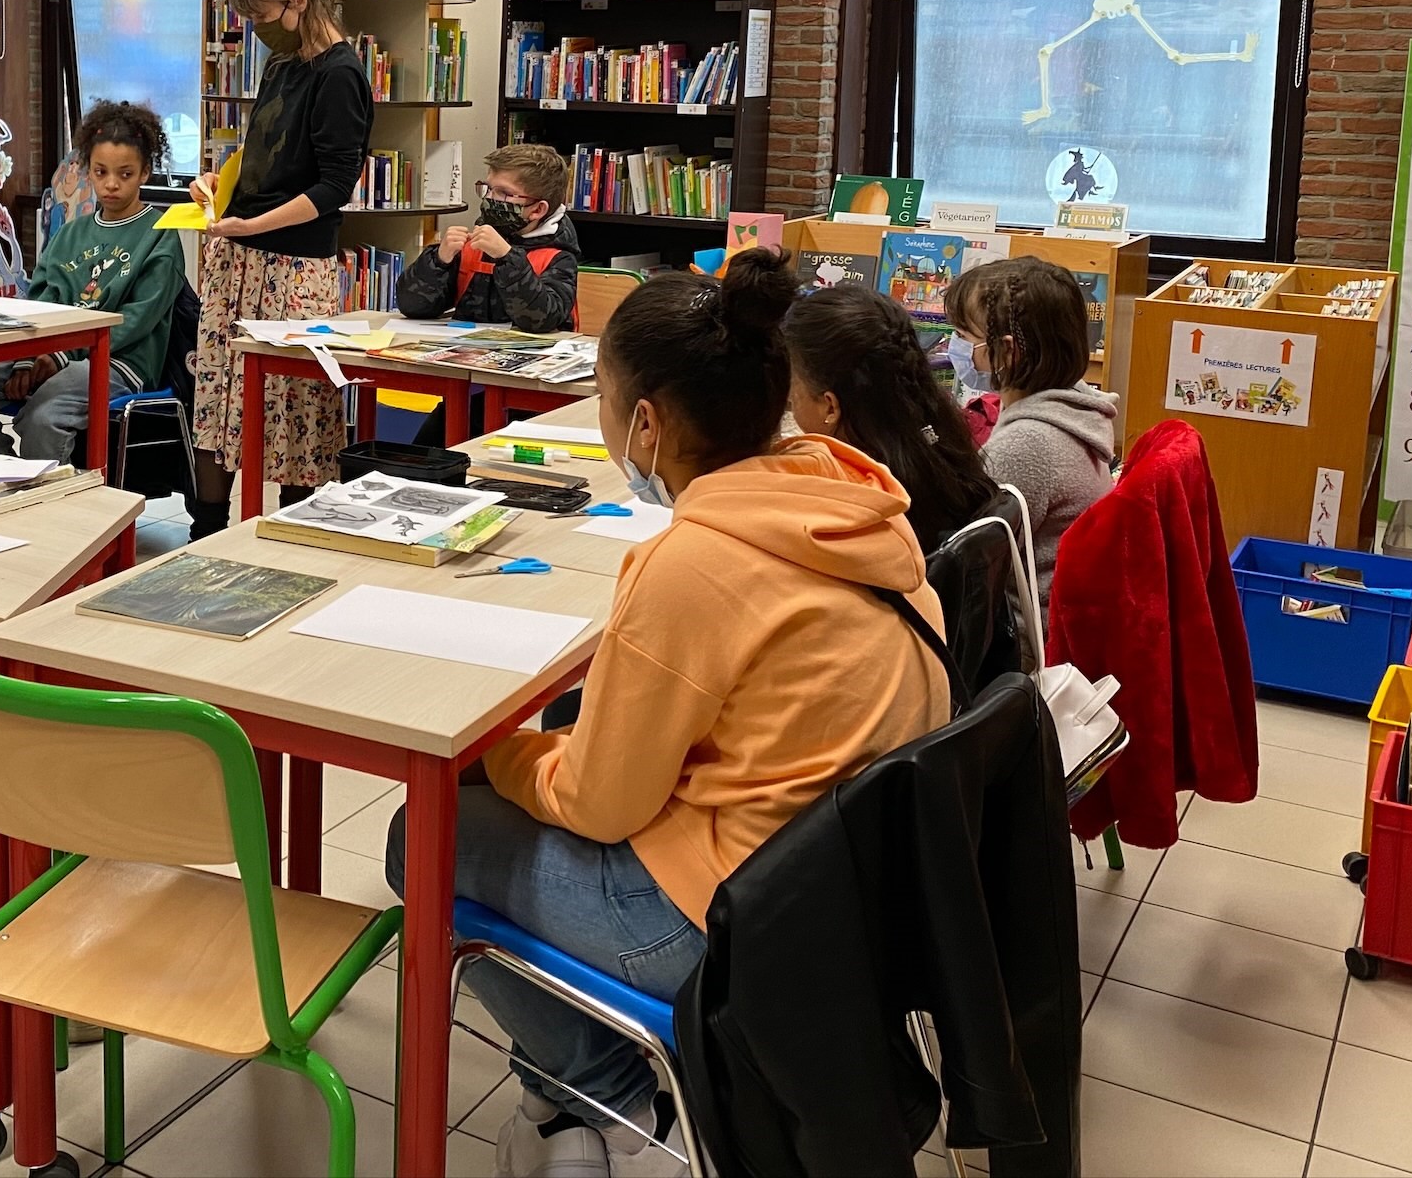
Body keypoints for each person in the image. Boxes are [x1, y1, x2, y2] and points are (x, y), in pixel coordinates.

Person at [384, 254, 950, 1178]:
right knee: (554, 754)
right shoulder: (851, 500)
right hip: (845, 898)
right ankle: (582, 1091)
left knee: (424, 832)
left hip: (728, 921)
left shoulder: (694, 562)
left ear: (643, 424)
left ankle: (588, 1091)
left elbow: (603, 806)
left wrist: (508, 759)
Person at [185, 0, 374, 538]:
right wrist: (221, 185)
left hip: (293, 266)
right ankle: (204, 535)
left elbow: (331, 189)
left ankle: (292, 541)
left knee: (292, 412)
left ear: (298, 0)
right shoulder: (281, 63)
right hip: (238, 255)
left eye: (261, 16)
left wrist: (255, 223)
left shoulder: (340, 74)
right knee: (216, 401)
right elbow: (262, 153)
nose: (256, 31)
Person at [0, 99, 185, 461]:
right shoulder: (70, 234)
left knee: (44, 417)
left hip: (120, 362)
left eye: (125, 174)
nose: (111, 185)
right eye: (100, 172)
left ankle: (47, 507)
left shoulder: (160, 234)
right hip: (53, 351)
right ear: (87, 171)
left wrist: (61, 356)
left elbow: (138, 320)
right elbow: (41, 304)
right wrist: (28, 360)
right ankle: (5, 483)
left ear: (145, 173)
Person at [944, 255, 1117, 601]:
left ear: (1006, 351)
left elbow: (964, 563)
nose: (955, 346)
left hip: (1020, 637)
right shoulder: (1074, 406)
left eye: (964, 336)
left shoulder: (1027, 445)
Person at [782, 281, 998, 555]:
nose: (790, 397)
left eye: (794, 384)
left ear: (830, 407)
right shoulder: (940, 447)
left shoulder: (849, 505)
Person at [396, 142, 579, 333]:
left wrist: (507, 258)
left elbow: (542, 320)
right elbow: (412, 307)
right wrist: (438, 261)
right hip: (464, 351)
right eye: (488, 188)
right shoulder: (473, 245)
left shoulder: (558, 257)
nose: (489, 198)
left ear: (538, 209)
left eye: (504, 193)